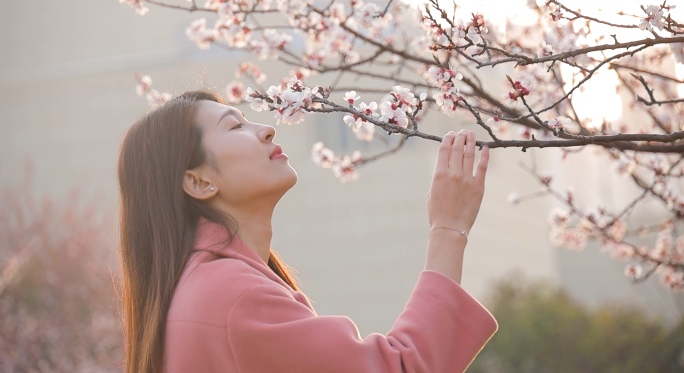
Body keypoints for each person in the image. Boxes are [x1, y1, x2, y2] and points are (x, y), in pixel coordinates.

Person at [118, 90, 497, 373]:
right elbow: (402, 368)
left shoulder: (205, 285)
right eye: (235, 126)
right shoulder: (235, 295)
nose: (265, 129)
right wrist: (448, 228)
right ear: (199, 182)